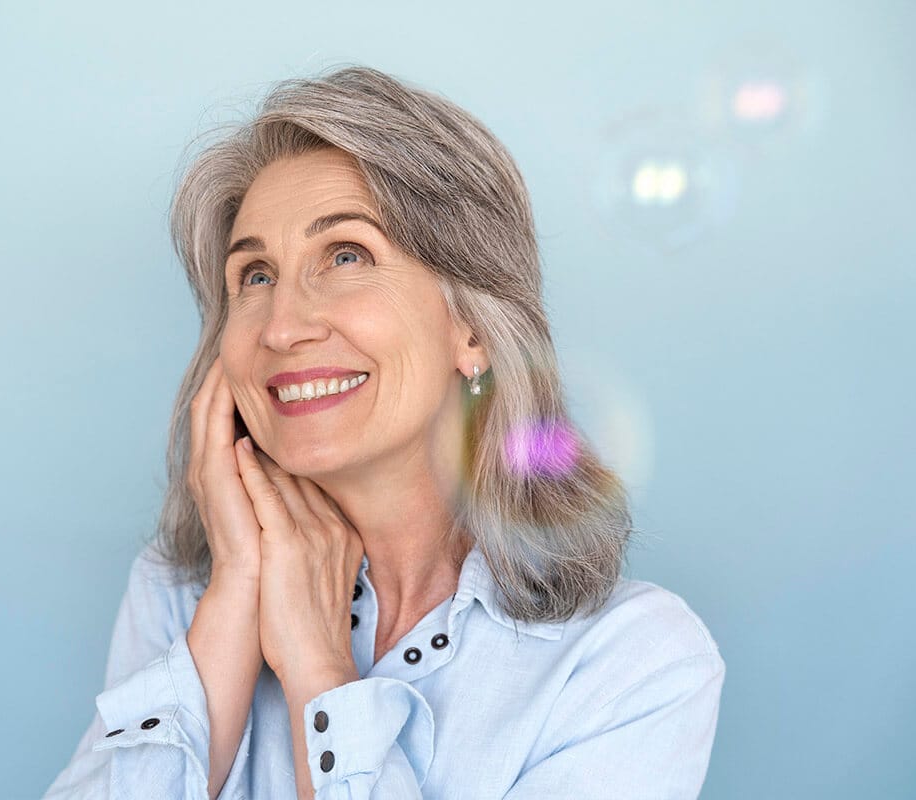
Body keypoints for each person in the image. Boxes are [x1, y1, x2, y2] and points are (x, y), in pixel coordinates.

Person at [41, 64, 725, 800]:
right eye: (256, 275)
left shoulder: (637, 663)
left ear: (474, 330)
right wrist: (235, 596)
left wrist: (316, 667)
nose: (282, 327)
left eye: (345, 256)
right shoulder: (181, 592)